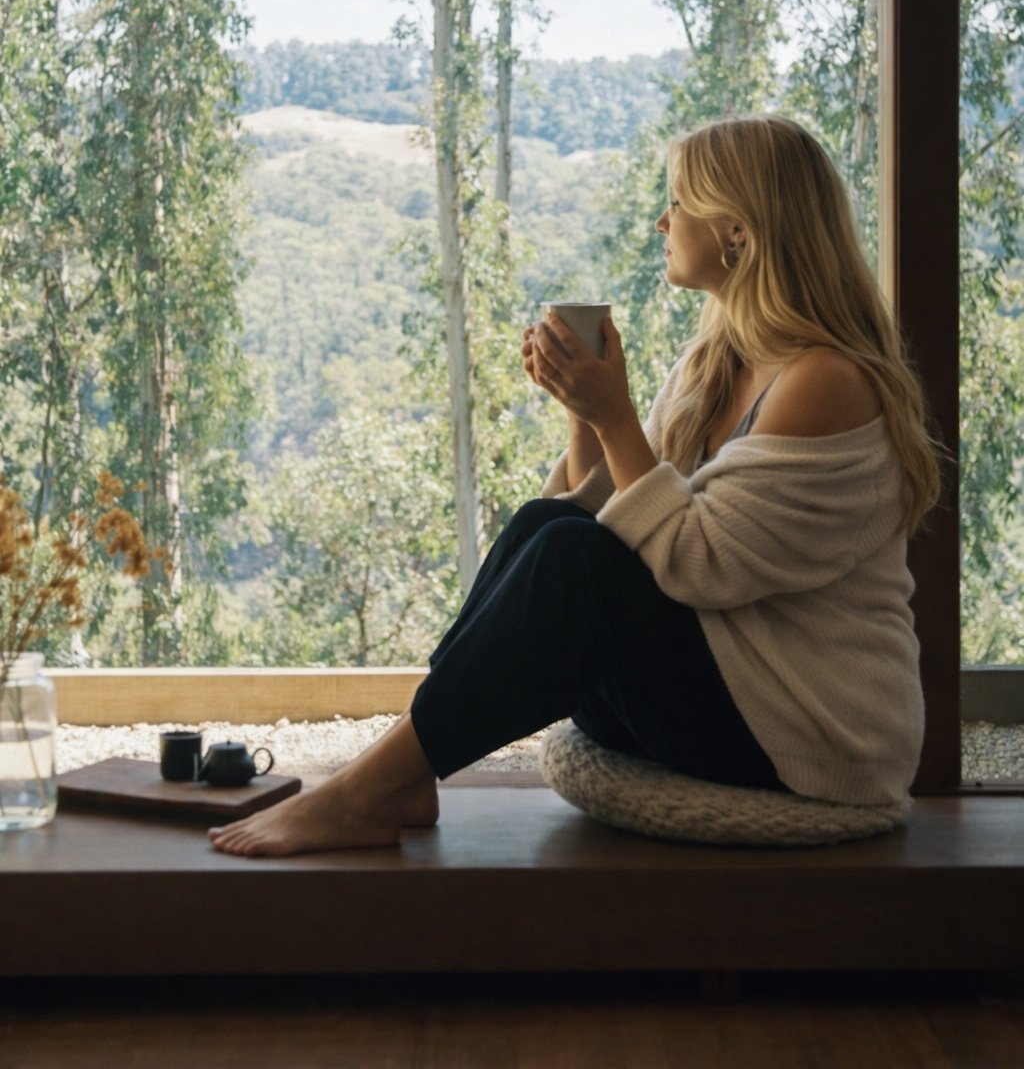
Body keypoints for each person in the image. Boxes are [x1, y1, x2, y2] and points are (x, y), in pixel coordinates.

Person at [208, 113, 942, 858]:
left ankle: (363, 792)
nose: (663, 220)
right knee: (544, 530)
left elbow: (698, 563)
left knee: (568, 561)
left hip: (805, 730)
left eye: (680, 203)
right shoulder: (715, 361)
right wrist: (583, 413)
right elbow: (606, 515)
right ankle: (402, 774)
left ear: (739, 233)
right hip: (726, 688)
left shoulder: (825, 382)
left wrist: (614, 413)